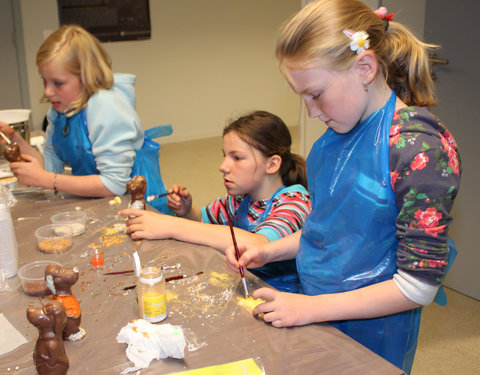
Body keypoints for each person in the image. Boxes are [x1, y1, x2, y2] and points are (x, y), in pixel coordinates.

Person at [225, 1, 461, 373]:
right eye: (300, 96)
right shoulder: (332, 139)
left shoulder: (418, 150)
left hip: (373, 331)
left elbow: (418, 286)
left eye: (315, 94)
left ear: (365, 68)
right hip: (316, 306)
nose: (310, 112)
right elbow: (330, 231)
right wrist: (271, 251)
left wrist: (309, 309)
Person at [119, 110, 312, 292]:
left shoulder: (294, 202)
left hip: (282, 299)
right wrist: (187, 212)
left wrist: (171, 225)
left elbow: (257, 244)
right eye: (224, 156)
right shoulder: (240, 199)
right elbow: (204, 221)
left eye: (237, 157)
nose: (223, 166)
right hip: (247, 286)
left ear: (272, 164)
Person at [0, 25, 170, 213]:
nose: (48, 92)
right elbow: (51, 166)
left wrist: (45, 180)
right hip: (97, 202)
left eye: (58, 83)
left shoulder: (105, 108)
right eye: (44, 80)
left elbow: (114, 184)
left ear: (86, 76)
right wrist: (16, 141)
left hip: (135, 203)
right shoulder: (61, 109)